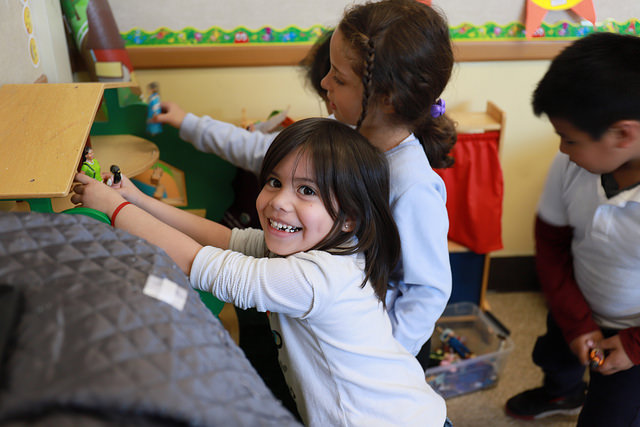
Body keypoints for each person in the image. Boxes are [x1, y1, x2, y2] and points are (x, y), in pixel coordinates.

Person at [71, 118, 449, 427]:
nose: (279, 202)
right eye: (274, 182)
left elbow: (202, 264)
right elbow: (226, 239)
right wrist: (137, 199)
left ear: (350, 217)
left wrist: (114, 209)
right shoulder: (319, 245)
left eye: (306, 191)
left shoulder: (318, 277)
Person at [154, 0, 456, 365]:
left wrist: (384, 361)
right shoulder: (344, 136)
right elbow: (260, 151)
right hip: (316, 330)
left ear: (388, 99)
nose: (324, 82)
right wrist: (190, 123)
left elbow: (426, 292)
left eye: (339, 78)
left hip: (367, 359)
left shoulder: (412, 185)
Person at [505, 33, 640, 426]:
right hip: (575, 300)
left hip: (632, 334)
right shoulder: (572, 166)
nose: (562, 150)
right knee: (555, 353)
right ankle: (562, 390)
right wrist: (575, 320)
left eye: (569, 139)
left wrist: (633, 345)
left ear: (623, 134)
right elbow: (550, 244)